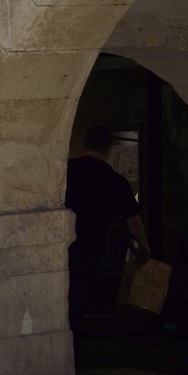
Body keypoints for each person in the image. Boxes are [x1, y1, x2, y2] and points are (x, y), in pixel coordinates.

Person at [65, 125, 152, 346]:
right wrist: (143, 245)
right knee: (78, 295)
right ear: (109, 149)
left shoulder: (67, 170)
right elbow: (132, 219)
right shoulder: (114, 179)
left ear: (85, 145)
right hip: (90, 244)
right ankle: (73, 343)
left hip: (62, 243)